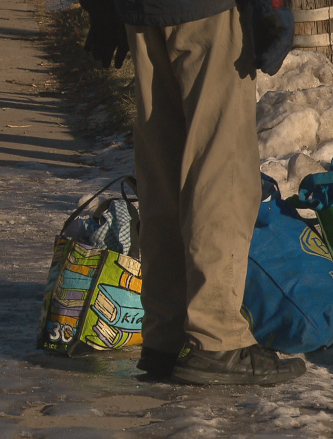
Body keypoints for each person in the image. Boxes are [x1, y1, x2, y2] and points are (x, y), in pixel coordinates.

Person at [81, 0, 306, 385]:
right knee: (221, 168)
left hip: (140, 11)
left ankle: (166, 336)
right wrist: (274, 7)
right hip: (206, 10)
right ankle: (216, 337)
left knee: (163, 172)